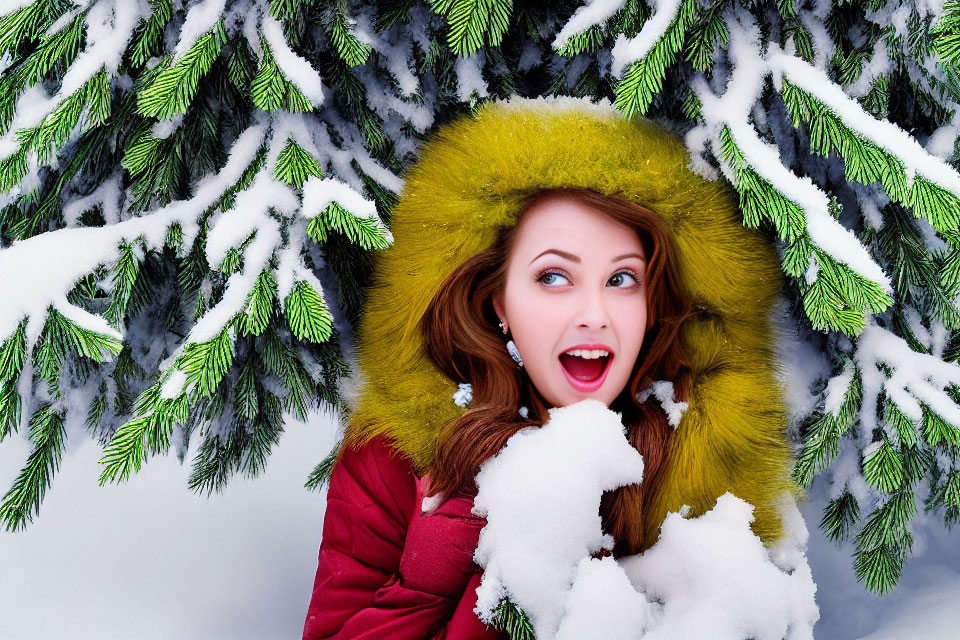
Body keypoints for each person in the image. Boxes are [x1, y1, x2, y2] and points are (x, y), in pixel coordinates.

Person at [302, 96, 797, 639]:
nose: (594, 315)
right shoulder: (395, 463)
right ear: (498, 302)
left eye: (622, 279)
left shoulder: (714, 466)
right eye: (554, 277)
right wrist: (424, 587)